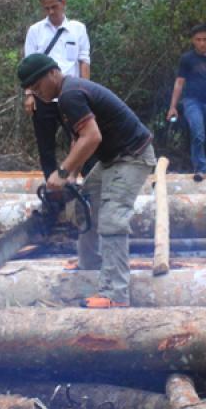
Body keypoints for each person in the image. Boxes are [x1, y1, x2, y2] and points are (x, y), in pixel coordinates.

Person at [18, 53, 155, 309]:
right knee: (86, 205)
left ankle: (116, 294)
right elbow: (78, 139)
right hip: (112, 159)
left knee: (112, 217)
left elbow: (92, 137)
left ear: (52, 73)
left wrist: (62, 171)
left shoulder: (71, 93)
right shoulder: (66, 96)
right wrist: (71, 174)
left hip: (132, 156)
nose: (38, 93)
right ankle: (90, 265)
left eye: (38, 87)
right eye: (32, 91)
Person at [23, 0, 91, 178]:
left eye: (54, 7)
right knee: (46, 146)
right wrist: (29, 94)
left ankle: (86, 182)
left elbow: (84, 61)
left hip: (70, 95)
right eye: (47, 9)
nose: (51, 12)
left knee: (81, 139)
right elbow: (29, 64)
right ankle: (52, 188)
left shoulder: (78, 29)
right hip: (42, 97)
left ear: (63, 3)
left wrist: (85, 91)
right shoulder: (35, 31)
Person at [166, 23, 206, 182]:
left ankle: (202, 163)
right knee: (198, 134)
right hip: (192, 102)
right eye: (198, 39)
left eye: (205, 39)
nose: (202, 43)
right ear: (193, 41)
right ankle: (200, 169)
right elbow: (179, 83)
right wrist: (173, 106)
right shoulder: (187, 59)